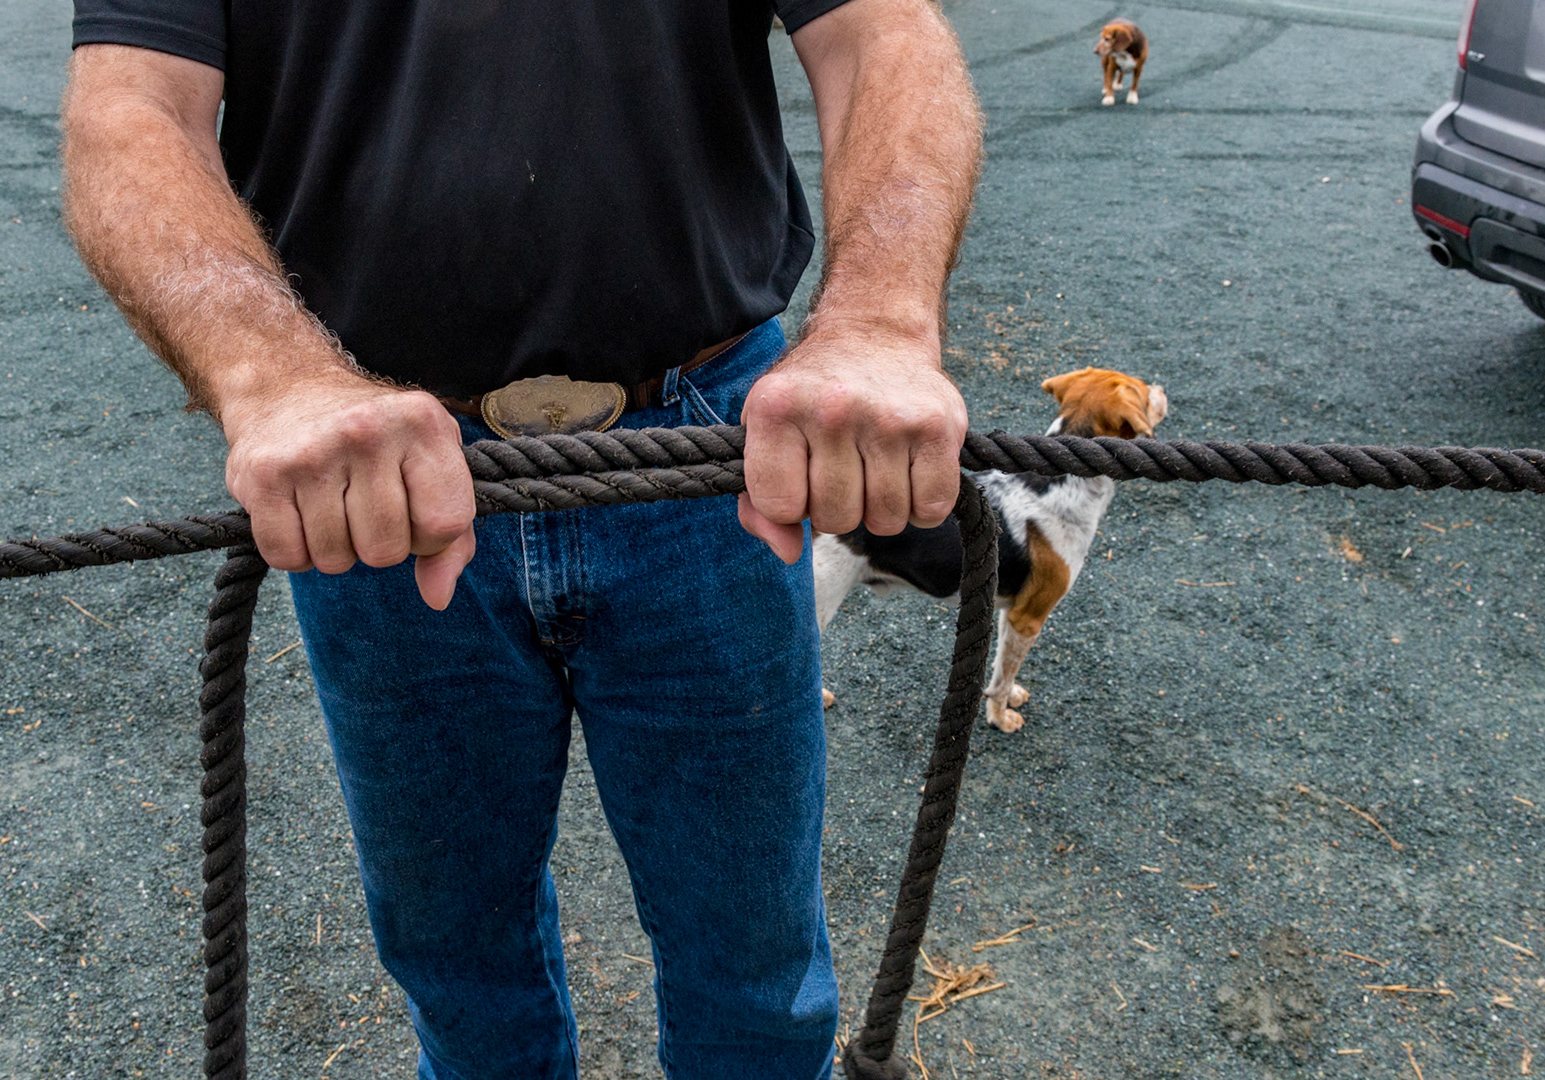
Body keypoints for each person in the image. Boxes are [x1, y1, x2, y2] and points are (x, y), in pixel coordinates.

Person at [60, 0, 981, 1074]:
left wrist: (879, 322)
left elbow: (884, 30)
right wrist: (271, 374)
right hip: (379, 466)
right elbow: (130, 107)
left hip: (711, 446)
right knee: (460, 973)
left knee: (757, 974)